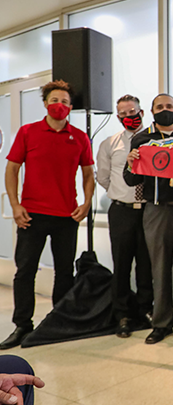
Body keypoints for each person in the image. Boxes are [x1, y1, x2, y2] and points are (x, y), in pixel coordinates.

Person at [1, 80, 94, 350]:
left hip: (67, 215)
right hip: (32, 214)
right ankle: (22, 325)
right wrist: (16, 205)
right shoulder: (28, 132)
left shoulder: (79, 137)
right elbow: (12, 169)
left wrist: (87, 202)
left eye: (65, 102)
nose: (59, 106)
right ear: (45, 103)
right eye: (54, 100)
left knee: (65, 271)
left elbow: (89, 174)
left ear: (71, 107)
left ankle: (58, 322)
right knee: (25, 271)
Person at [124, 93, 173, 344]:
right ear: (152, 111)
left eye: (169, 106)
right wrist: (130, 163)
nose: (165, 110)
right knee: (159, 268)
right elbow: (131, 180)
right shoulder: (142, 139)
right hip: (157, 210)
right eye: (160, 107)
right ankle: (162, 322)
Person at [96, 94, 153, 338]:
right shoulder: (110, 143)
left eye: (133, 112)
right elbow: (103, 177)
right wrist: (121, 192)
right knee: (121, 264)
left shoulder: (154, 140)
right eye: (124, 114)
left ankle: (145, 309)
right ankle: (122, 314)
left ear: (142, 111)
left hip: (149, 210)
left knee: (146, 264)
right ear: (118, 117)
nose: (130, 117)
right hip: (121, 210)